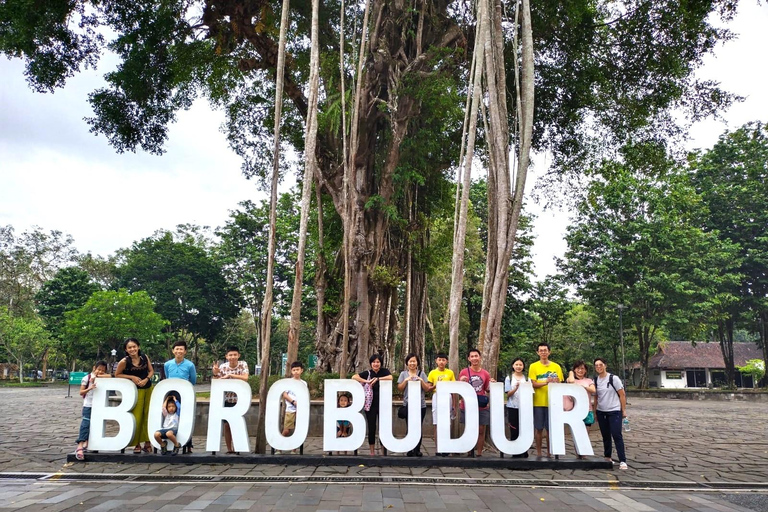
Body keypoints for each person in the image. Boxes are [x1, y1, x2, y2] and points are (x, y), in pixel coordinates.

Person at [115, 338, 154, 454]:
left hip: (148, 389)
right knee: (136, 417)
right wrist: (132, 377)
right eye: (129, 347)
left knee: (148, 415)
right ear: (126, 350)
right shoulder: (124, 361)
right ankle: (136, 443)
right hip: (134, 391)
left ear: (138, 347)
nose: (132, 349)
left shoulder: (145, 358)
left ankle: (148, 442)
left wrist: (146, 379)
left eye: (134, 346)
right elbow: (117, 375)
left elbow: (151, 371)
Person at [352, 353, 393, 455]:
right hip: (370, 405)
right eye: (374, 362)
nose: (376, 364)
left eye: (378, 362)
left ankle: (384, 451)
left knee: (383, 428)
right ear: (371, 364)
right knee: (371, 427)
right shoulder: (368, 373)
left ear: (381, 363)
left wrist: (378, 379)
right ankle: (372, 452)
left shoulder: (384, 372)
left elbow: (391, 377)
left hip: (383, 405)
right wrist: (366, 381)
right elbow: (354, 377)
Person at [528, 342, 563, 458]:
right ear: (537, 352)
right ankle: (538, 453)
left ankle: (549, 452)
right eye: (541, 350)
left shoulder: (556, 367)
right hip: (538, 402)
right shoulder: (533, 366)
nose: (543, 352)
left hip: (553, 403)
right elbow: (533, 383)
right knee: (538, 428)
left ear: (549, 352)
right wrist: (546, 382)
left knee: (550, 429)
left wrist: (556, 382)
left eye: (545, 350)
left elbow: (560, 382)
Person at [212, 346, 249, 454]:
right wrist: (215, 373)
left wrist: (230, 375)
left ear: (238, 356)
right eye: (230, 355)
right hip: (227, 399)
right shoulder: (223, 366)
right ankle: (229, 449)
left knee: (238, 424)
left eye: (235, 355)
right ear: (226, 356)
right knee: (227, 425)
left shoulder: (243, 364)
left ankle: (239, 447)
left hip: (240, 400)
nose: (232, 357)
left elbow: (246, 377)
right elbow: (216, 381)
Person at [594, 358, 629, 470]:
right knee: (605, 435)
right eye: (596, 365)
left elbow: (622, 395)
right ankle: (607, 456)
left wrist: (623, 410)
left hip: (614, 410)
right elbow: (596, 397)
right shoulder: (595, 380)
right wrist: (595, 411)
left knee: (616, 434)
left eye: (601, 365)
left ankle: (622, 460)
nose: (599, 367)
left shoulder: (613, 378)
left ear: (605, 365)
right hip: (601, 410)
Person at [458, 348, 494, 457]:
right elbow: (459, 388)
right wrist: (461, 382)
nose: (474, 358)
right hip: (467, 404)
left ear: (480, 357)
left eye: (476, 356)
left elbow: (487, 389)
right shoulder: (464, 372)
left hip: (481, 405)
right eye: (472, 356)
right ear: (469, 358)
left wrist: (492, 384)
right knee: (469, 429)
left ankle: (479, 453)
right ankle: (470, 451)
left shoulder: (485, 373)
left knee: (481, 430)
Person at [164, 341, 197, 452]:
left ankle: (188, 445)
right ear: (173, 351)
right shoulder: (167, 364)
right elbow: (168, 377)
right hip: (172, 394)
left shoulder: (190, 365)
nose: (179, 351)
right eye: (176, 349)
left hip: (185, 394)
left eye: (181, 349)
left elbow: (193, 380)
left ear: (185, 351)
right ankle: (170, 441)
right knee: (171, 417)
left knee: (185, 418)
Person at [74, 360, 111, 461]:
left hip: (99, 406)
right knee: (85, 424)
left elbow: (111, 376)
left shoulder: (103, 379)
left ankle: (90, 444)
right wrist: (90, 388)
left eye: (103, 371)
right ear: (94, 368)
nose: (100, 372)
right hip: (88, 405)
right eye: (99, 369)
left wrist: (100, 376)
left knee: (96, 425)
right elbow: (81, 392)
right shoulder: (87, 378)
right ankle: (80, 446)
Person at [397, 353, 430, 457]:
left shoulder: (422, 374)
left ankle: (417, 449)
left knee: (418, 427)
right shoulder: (403, 374)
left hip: (421, 405)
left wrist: (421, 380)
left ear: (417, 363)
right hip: (408, 404)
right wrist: (406, 380)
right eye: (410, 361)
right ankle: (409, 448)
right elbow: (400, 388)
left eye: (414, 361)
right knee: (409, 427)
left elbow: (427, 388)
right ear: (407, 363)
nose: (412, 363)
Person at [565, 360, 596, 458]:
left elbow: (593, 390)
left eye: (582, 368)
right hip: (575, 410)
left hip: (587, 409)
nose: (580, 370)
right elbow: (570, 381)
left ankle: (584, 451)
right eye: (578, 368)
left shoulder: (589, 381)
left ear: (586, 370)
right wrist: (571, 373)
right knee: (576, 432)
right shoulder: (571, 380)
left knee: (586, 431)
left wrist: (583, 386)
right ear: (574, 370)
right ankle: (579, 452)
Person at [427, 352, 455, 456]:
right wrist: (435, 386)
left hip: (447, 397)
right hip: (437, 396)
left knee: (447, 422)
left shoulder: (450, 373)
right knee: (437, 423)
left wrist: (454, 405)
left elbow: (454, 389)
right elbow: (428, 388)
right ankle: (438, 447)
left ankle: (446, 447)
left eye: (443, 360)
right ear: (436, 361)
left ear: (446, 361)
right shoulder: (432, 373)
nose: (441, 362)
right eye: (439, 360)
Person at [504, 357, 529, 458]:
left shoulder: (527, 379)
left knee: (525, 429)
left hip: (525, 408)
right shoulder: (509, 378)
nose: (518, 367)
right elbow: (508, 394)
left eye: (520, 365)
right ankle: (515, 451)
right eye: (516, 365)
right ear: (513, 366)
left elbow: (530, 393)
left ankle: (524, 450)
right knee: (514, 429)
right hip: (512, 407)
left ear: (523, 366)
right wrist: (516, 388)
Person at [280, 361, 307, 453]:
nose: (296, 372)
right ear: (291, 371)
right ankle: (279, 447)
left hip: (300, 410)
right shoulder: (289, 383)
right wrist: (293, 402)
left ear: (301, 370)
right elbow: (284, 394)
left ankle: (294, 449)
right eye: (294, 370)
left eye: (297, 370)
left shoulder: (304, 383)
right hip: (290, 409)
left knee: (298, 430)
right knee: (287, 429)